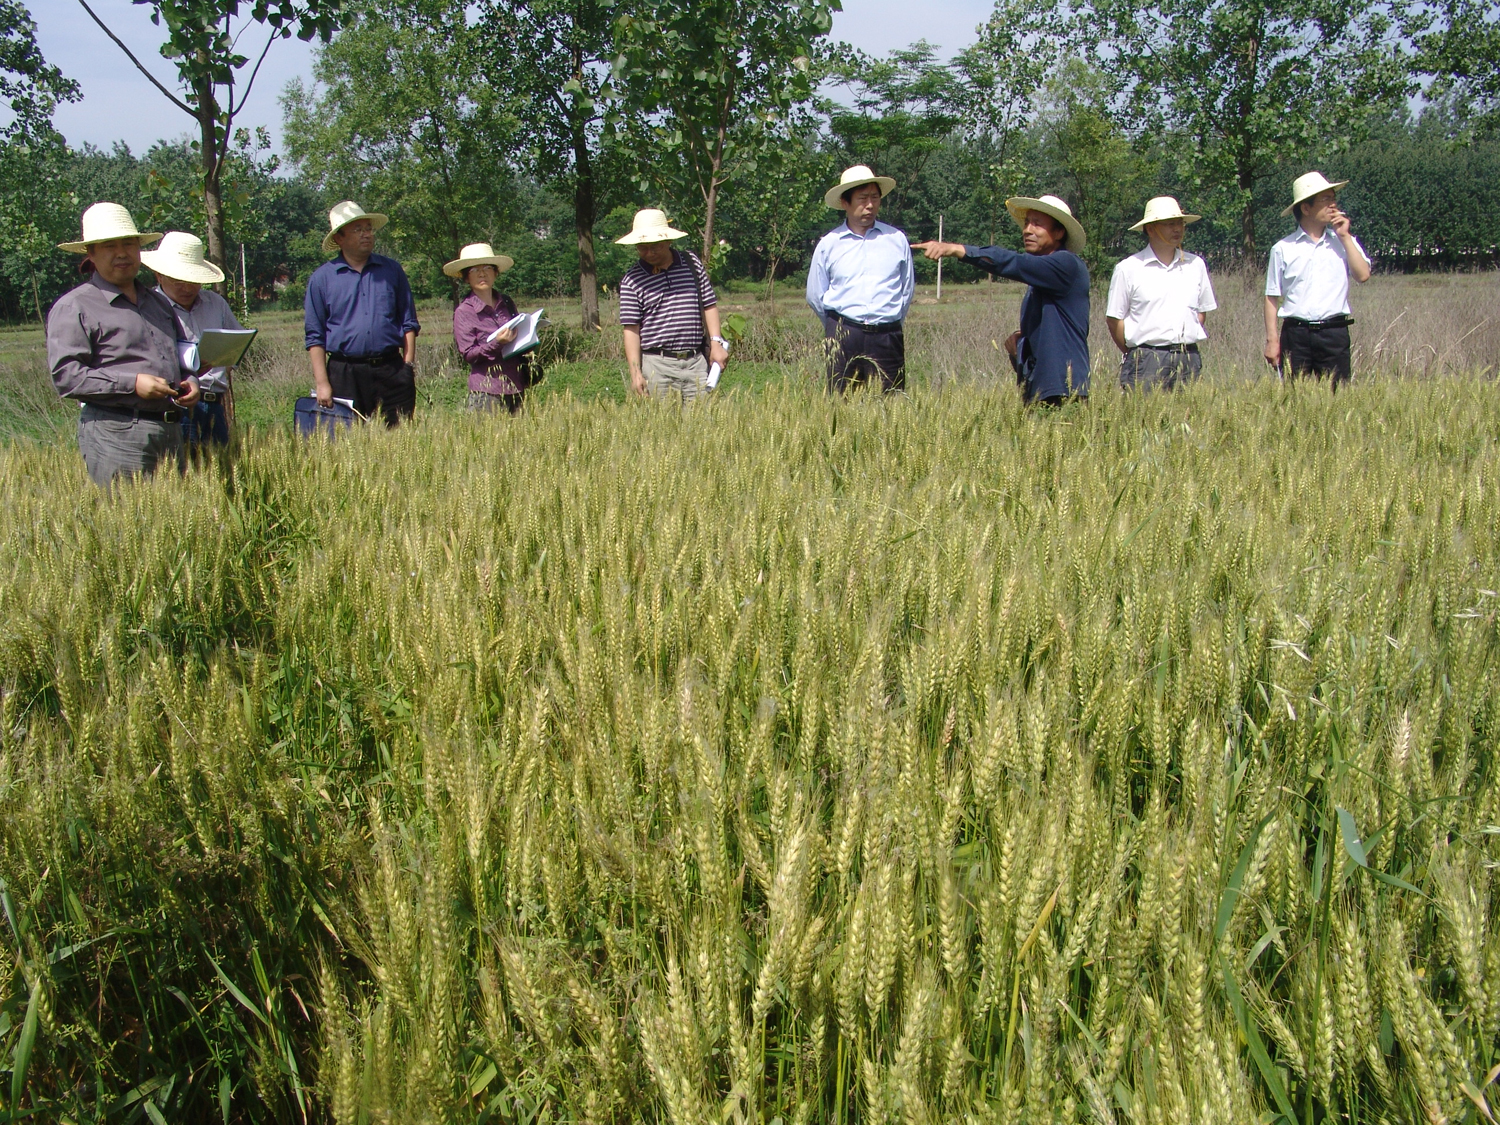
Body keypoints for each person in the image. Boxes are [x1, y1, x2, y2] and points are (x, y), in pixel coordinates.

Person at [46, 202, 202, 488]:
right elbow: (66, 377)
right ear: (91, 253)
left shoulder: (157, 303)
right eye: (109, 246)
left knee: (172, 516)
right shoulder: (75, 306)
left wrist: (190, 380)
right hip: (116, 433)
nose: (121, 253)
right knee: (128, 513)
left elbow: (178, 356)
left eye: (129, 244)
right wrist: (132, 384)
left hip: (170, 430)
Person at [914, 194, 1090, 404]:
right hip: (1043, 390)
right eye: (1026, 223)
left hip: (1065, 390)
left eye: (1037, 224)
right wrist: (1021, 346)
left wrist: (957, 250)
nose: (1027, 230)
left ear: (1059, 232)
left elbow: (1014, 263)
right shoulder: (1040, 278)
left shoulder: (1066, 264)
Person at [304, 201, 420, 426]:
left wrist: (408, 367)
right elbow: (315, 335)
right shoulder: (322, 279)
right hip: (344, 373)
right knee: (348, 439)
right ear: (339, 238)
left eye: (368, 229)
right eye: (358, 230)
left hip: (391, 369)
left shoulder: (392, 270)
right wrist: (322, 383)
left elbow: (409, 321)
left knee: (398, 438)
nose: (366, 234)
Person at [805, 164, 914, 393]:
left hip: (887, 336)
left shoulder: (896, 239)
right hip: (844, 335)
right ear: (845, 203)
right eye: (862, 199)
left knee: (891, 404)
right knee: (842, 404)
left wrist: (888, 320)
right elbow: (815, 295)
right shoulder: (829, 244)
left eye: (875, 197)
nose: (870, 205)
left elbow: (906, 290)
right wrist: (837, 327)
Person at [1264, 171, 1371, 387]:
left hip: (1334, 332)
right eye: (1326, 199)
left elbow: (1363, 275)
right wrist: (1272, 340)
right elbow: (1271, 296)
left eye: (1334, 198)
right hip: (1296, 335)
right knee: (1294, 397)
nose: (1333, 205)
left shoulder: (1344, 241)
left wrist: (1344, 236)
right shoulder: (1283, 248)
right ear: (1306, 208)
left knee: (1338, 397)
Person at [142, 231, 244, 448]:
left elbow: (237, 345)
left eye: (194, 281)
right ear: (159, 276)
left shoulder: (215, 303)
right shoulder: (147, 308)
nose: (187, 288)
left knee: (220, 464)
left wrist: (221, 363)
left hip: (214, 403)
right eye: (178, 281)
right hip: (175, 404)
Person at [615, 209, 729, 402]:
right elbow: (631, 329)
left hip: (696, 363)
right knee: (661, 420)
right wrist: (635, 373)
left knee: (702, 419)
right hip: (657, 366)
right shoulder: (632, 280)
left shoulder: (692, 264)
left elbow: (709, 305)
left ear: (668, 241)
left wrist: (716, 343)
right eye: (642, 247)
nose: (649, 253)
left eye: (655, 246)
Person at [1106, 197, 1217, 390]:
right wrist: (1138, 352)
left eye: (1180, 223)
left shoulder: (1195, 265)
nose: (1177, 229)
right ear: (1150, 229)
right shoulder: (1128, 268)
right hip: (1146, 359)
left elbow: (1200, 313)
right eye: (1170, 224)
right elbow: (1115, 319)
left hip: (1188, 357)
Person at [446, 242, 532, 414]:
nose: (482, 273)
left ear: (495, 272)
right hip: (486, 391)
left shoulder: (506, 302)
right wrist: (497, 343)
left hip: (516, 385)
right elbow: (469, 354)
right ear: (466, 277)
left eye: (487, 268)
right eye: (474, 270)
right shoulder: (464, 311)